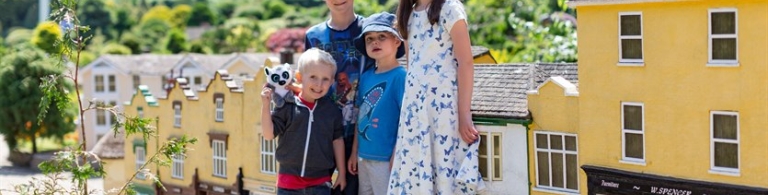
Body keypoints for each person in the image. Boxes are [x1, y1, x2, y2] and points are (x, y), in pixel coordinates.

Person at [388, 0, 484, 194]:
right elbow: (412, 65)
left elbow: (466, 62)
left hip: (443, 107)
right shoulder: (408, 14)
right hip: (414, 110)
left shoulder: (450, 8)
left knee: (443, 168)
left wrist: (464, 114)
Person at [305, 0, 376, 194]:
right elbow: (306, 84)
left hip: (362, 133)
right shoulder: (313, 36)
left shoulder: (370, 30)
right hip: (323, 134)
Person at [261, 48, 347, 195]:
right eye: (313, 77)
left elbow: (337, 141)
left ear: (332, 82)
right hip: (288, 185)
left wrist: (342, 174)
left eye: (325, 79)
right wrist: (265, 105)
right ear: (300, 77)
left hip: (321, 184)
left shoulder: (332, 111)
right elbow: (269, 135)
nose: (319, 84)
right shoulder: (287, 107)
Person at [347, 12, 406, 195]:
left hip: (386, 159)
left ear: (397, 41)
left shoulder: (401, 77)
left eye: (382, 37)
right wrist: (354, 152)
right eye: (369, 38)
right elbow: (361, 116)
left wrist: (398, 153)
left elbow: (406, 121)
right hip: (363, 157)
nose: (375, 42)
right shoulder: (365, 77)